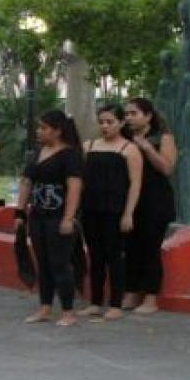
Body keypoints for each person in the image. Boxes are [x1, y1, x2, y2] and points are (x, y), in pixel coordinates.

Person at [15, 110, 84, 327]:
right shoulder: (38, 152)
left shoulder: (70, 155)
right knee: (43, 262)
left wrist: (68, 218)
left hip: (58, 216)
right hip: (38, 215)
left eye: (43, 128)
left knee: (59, 264)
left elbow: (74, 187)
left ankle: (68, 311)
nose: (39, 131)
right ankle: (45, 307)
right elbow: (26, 182)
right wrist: (20, 212)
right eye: (39, 127)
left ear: (57, 131)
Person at [79, 105, 143, 320]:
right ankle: (95, 302)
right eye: (102, 122)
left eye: (110, 122)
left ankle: (116, 303)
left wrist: (128, 213)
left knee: (114, 257)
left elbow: (135, 184)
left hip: (115, 210)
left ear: (121, 123)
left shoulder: (129, 149)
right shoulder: (88, 147)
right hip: (91, 208)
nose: (105, 126)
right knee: (95, 256)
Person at [123, 97, 177, 314]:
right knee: (130, 247)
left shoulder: (162, 137)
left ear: (148, 116)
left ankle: (151, 297)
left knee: (150, 248)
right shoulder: (124, 137)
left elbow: (167, 168)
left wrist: (147, 149)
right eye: (126, 114)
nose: (129, 118)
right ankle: (131, 291)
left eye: (133, 113)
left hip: (155, 200)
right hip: (129, 199)